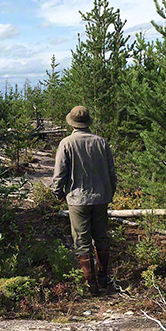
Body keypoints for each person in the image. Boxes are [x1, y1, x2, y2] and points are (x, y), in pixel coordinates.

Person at [51, 105, 116, 295]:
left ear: (71, 123)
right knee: (101, 237)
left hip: (77, 199)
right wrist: (109, 193)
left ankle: (92, 286)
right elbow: (112, 173)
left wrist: (58, 193)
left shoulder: (66, 143)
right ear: (87, 122)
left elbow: (59, 173)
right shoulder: (101, 142)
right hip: (101, 198)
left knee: (82, 241)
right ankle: (103, 280)